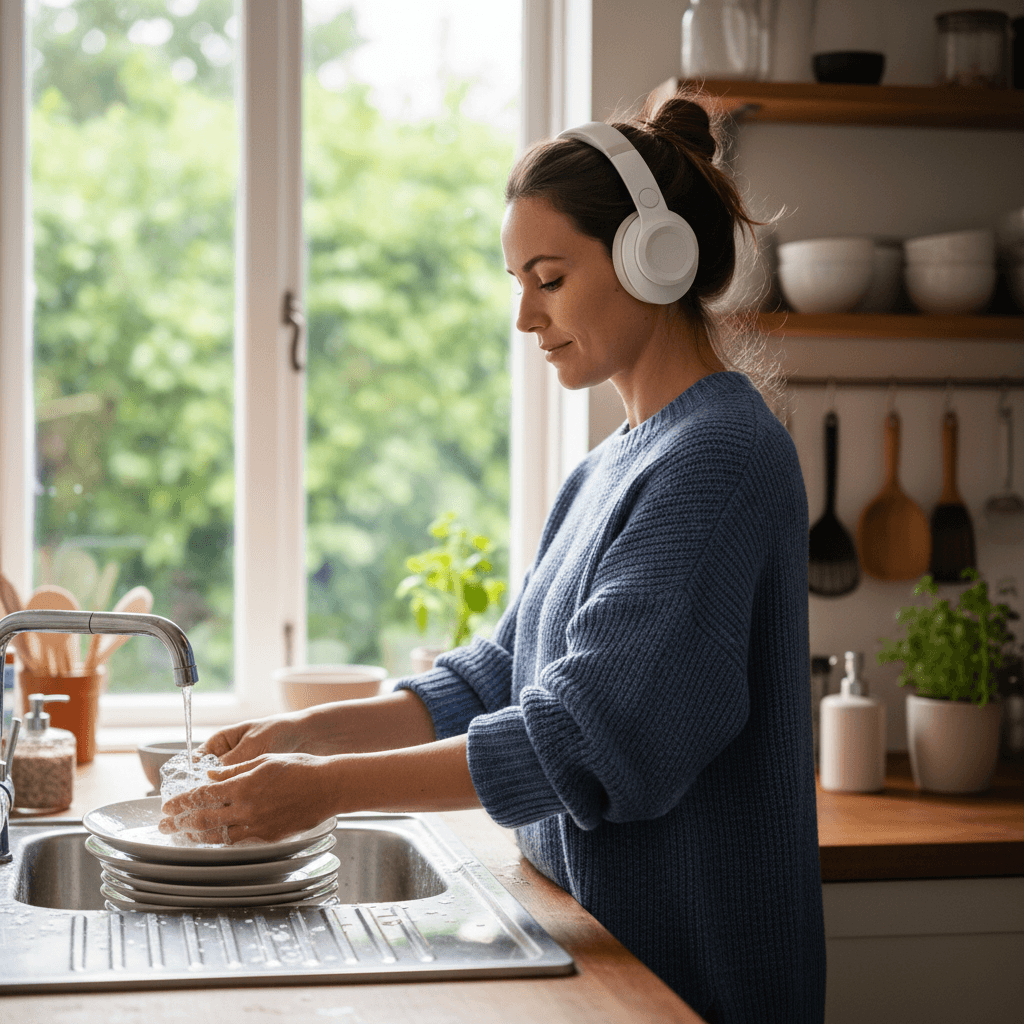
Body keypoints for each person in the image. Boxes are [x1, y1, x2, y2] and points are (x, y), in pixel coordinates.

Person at [160, 88, 826, 1024]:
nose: (525, 317)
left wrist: (324, 792)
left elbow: (584, 739)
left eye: (548, 279)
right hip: (596, 943)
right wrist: (298, 735)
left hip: (689, 983)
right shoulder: (611, 465)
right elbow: (499, 677)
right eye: (518, 281)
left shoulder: (720, 458)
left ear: (652, 256)